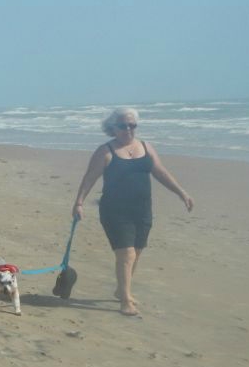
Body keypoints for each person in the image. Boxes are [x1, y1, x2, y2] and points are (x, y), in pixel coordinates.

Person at [72, 107, 194, 316]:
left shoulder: (145, 147)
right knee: (126, 254)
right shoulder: (105, 151)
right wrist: (79, 203)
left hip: (142, 209)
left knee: (136, 252)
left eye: (132, 125)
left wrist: (181, 192)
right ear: (113, 128)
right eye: (123, 125)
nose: (128, 129)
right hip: (115, 211)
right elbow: (90, 177)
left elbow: (161, 172)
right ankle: (126, 301)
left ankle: (121, 290)